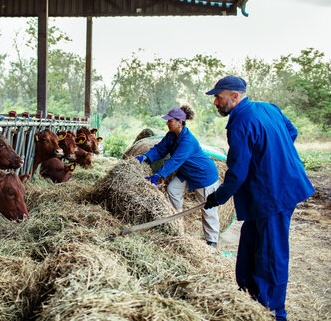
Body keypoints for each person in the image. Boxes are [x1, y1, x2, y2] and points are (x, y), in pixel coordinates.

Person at [203, 75, 315, 321]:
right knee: (250, 244)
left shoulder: (239, 123)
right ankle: (249, 296)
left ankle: (274, 313)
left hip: (272, 195)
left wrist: (217, 198)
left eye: (218, 98)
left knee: (270, 254)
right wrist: (272, 155)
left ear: (234, 96)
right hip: (277, 188)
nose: (216, 103)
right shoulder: (268, 108)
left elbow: (237, 173)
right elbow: (291, 132)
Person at [135, 105, 221, 247]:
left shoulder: (188, 140)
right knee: (173, 190)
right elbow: (160, 149)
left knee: (208, 208)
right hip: (186, 173)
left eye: (170, 121)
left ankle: (212, 242)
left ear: (180, 122)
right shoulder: (171, 136)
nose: (167, 123)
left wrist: (158, 175)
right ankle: (176, 226)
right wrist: (145, 157)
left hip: (203, 175)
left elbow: (175, 160)